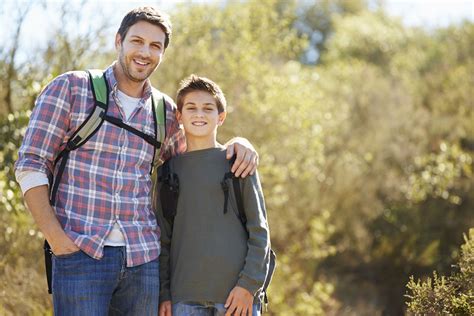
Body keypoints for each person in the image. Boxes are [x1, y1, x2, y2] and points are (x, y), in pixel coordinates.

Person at [14, 7, 258, 315]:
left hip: (144, 261)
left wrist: (238, 144)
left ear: (162, 54)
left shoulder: (166, 112)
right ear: (119, 41)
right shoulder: (71, 88)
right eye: (137, 41)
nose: (145, 52)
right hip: (80, 253)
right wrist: (56, 239)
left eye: (155, 46)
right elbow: (31, 164)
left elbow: (193, 165)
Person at [156, 75, 270, 316]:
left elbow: (259, 232)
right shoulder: (167, 171)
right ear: (179, 116)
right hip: (183, 300)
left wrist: (248, 286)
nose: (199, 114)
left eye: (208, 108)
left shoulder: (238, 162)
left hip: (236, 299)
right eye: (191, 108)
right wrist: (164, 294)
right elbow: (163, 238)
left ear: (221, 117)